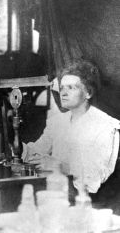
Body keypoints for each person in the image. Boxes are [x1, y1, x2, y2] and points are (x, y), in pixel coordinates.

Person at [23, 60, 120, 194]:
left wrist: (60, 166)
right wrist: (11, 146)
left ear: (88, 93)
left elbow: (95, 179)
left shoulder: (106, 126)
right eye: (62, 88)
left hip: (90, 202)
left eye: (71, 87)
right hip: (55, 193)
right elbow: (36, 152)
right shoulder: (57, 122)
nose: (63, 93)